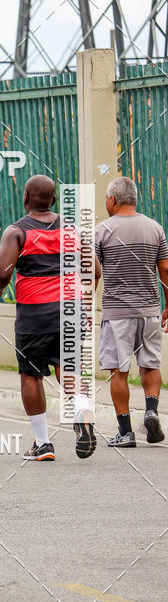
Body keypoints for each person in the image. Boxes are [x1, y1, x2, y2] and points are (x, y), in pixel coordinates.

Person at [0, 175, 100, 462]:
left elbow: (3, 272)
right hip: (72, 310)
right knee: (69, 366)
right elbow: (95, 271)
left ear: (26, 197)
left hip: (35, 315)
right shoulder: (74, 230)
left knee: (30, 373)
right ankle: (82, 419)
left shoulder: (17, 231)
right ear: (54, 200)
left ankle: (43, 443)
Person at [95, 177, 168, 447]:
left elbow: (93, 272)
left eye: (106, 198)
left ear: (113, 199)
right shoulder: (155, 228)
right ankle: (151, 410)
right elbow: (165, 270)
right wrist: (167, 305)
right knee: (150, 365)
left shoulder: (101, 231)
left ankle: (125, 431)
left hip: (117, 314)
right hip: (149, 310)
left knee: (119, 372)